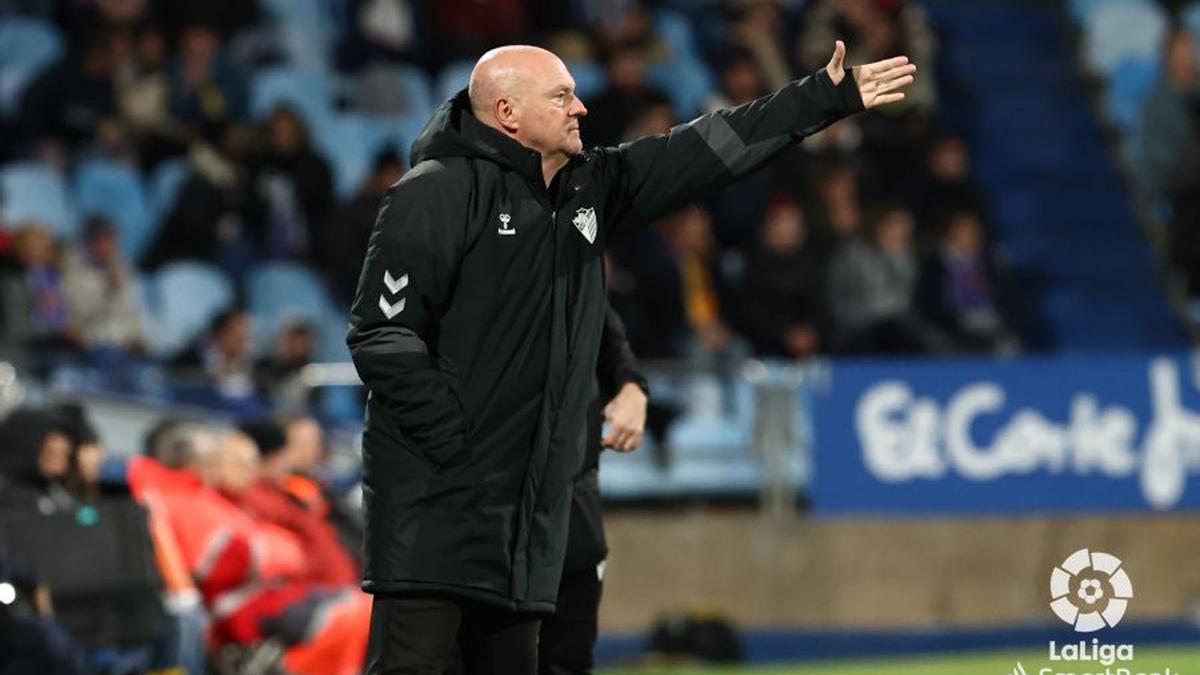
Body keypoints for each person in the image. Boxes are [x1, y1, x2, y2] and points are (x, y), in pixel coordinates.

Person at [347, 42, 915, 673]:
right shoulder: (435, 194)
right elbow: (383, 335)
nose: (580, 107)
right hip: (438, 508)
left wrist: (824, 98)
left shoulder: (588, 188)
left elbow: (703, 152)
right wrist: (459, 444)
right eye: (561, 96)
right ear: (507, 112)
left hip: (528, 513)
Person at [538, 306, 647, 675]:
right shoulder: (472, 264)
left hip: (573, 490)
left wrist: (631, 384)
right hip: (489, 496)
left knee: (568, 658)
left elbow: (600, 323)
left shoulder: (571, 262)